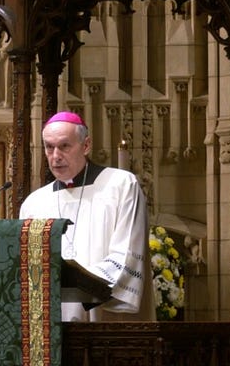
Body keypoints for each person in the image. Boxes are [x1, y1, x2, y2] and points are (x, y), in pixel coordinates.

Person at [19, 111, 156, 322]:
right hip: (54, 324)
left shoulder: (121, 185)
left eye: (64, 146)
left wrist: (79, 285)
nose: (56, 156)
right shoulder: (34, 203)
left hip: (109, 322)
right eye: (49, 147)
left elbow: (127, 252)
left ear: (86, 146)